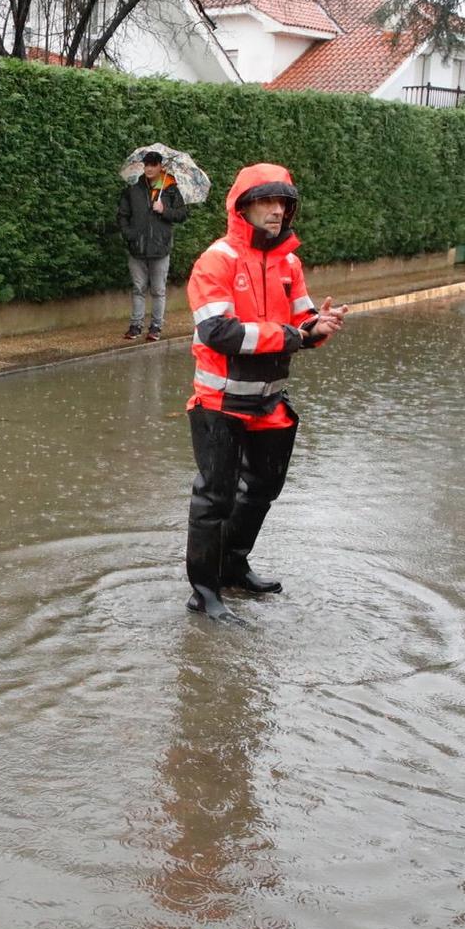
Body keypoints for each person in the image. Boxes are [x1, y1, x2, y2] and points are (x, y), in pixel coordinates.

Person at [183, 163, 345, 619]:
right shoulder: (217, 260)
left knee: (262, 489)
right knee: (214, 498)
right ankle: (204, 591)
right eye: (268, 201)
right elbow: (219, 332)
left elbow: (303, 324)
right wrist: (292, 335)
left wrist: (319, 327)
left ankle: (233, 567)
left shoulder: (290, 262)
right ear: (243, 207)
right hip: (220, 404)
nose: (278, 211)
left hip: (268, 400)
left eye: (284, 203)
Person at [116, 150, 188, 341]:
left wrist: (164, 210)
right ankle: (135, 326)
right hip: (137, 248)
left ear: (160, 167)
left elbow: (181, 214)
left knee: (158, 290)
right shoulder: (133, 188)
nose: (148, 168)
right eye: (146, 164)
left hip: (160, 248)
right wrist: (129, 235)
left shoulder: (171, 188)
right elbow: (122, 215)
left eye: (153, 165)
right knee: (138, 288)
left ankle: (156, 327)